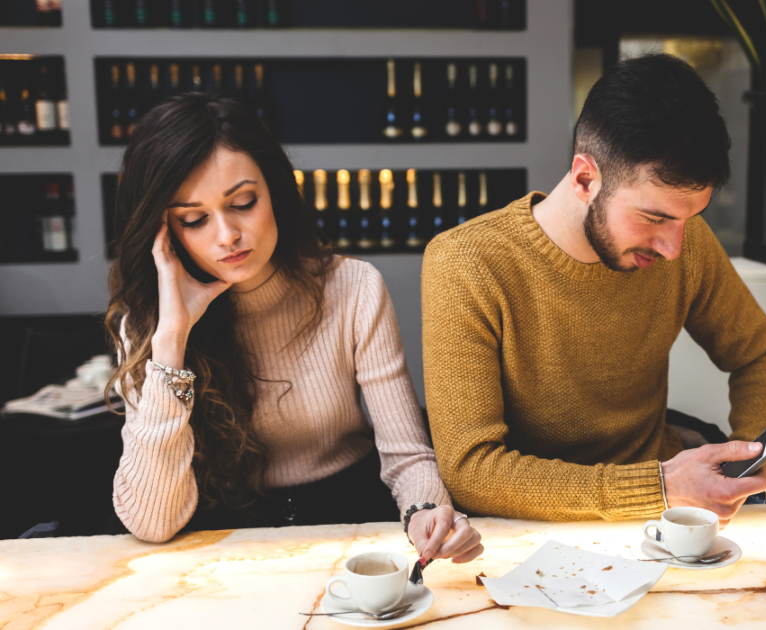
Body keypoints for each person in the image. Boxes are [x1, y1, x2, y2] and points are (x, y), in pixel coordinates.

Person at [105, 94, 483, 564]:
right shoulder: (147, 324)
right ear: (166, 233)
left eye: (243, 202)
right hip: (224, 546)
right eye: (194, 219)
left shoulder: (353, 287)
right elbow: (152, 523)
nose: (226, 235)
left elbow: (406, 454)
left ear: (275, 192)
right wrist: (171, 341)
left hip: (349, 523)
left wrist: (427, 511)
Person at [421, 54, 766, 528]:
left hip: (667, 521)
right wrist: (658, 486)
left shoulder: (686, 243)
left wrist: (753, 474)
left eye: (690, 218)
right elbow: (470, 468)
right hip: (526, 530)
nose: (673, 248)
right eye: (655, 218)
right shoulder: (466, 263)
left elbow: (759, 354)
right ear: (584, 179)